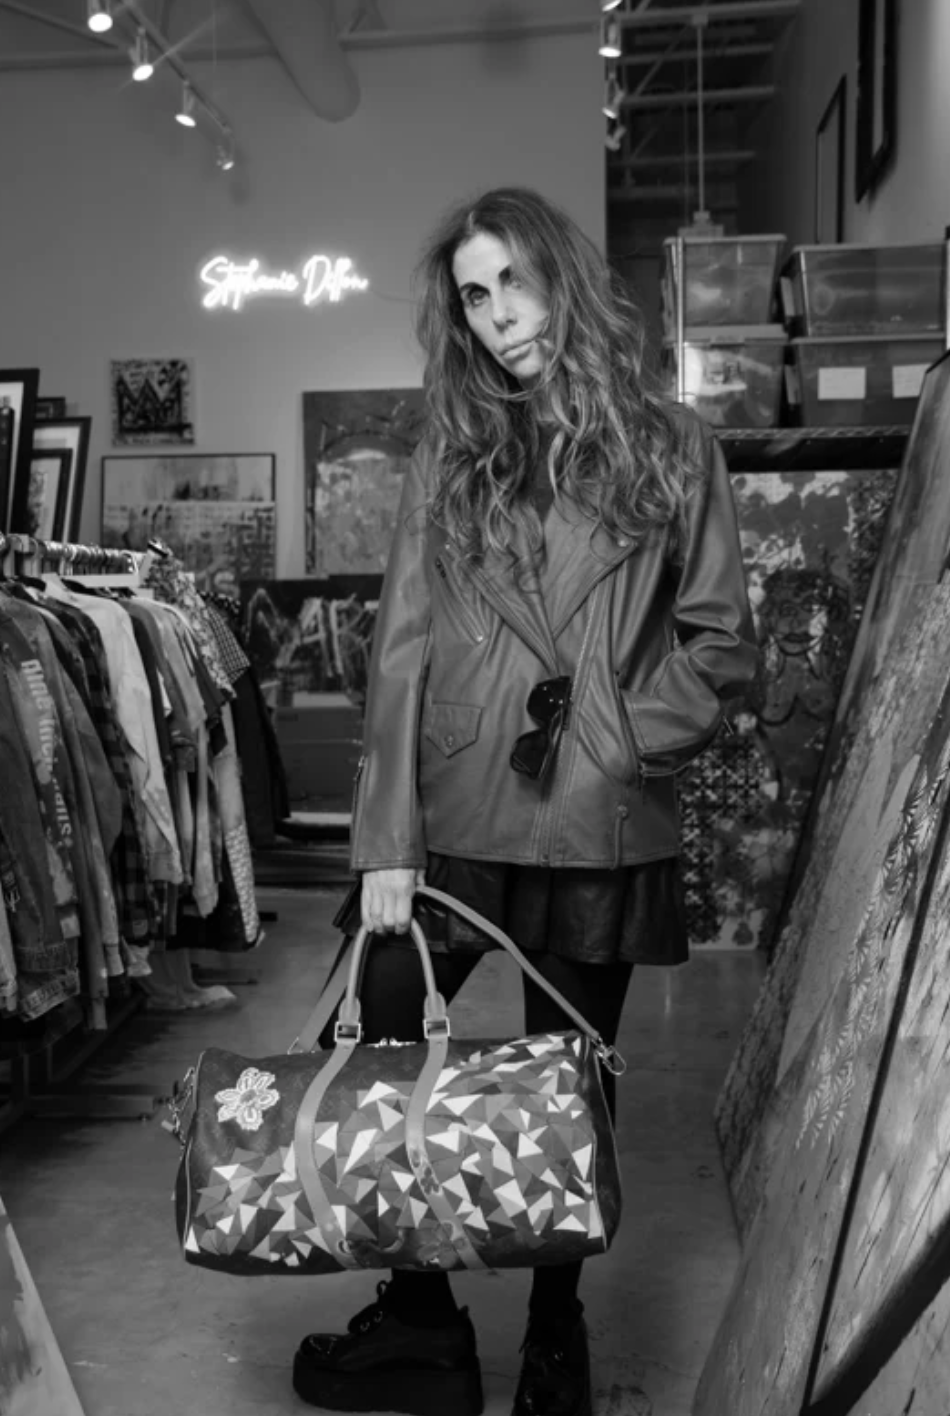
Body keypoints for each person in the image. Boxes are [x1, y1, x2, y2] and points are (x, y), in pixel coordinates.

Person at [292, 187, 758, 1416]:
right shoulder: (453, 455)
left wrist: (613, 738)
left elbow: (719, 648)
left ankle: (557, 1327)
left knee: (573, 1082)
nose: (499, 318)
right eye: (473, 297)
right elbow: (397, 647)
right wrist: (381, 842)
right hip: (449, 809)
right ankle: (420, 1318)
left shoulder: (673, 446)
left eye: (513, 282)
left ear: (565, 276)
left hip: (596, 813)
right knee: (387, 1046)